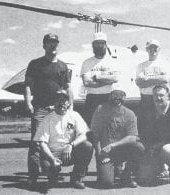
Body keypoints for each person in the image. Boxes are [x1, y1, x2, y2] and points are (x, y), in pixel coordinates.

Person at [24, 33, 73, 187]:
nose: (53, 45)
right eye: (50, 43)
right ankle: (33, 175)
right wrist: (28, 103)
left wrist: (70, 105)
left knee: (56, 141)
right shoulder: (35, 64)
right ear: (44, 45)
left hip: (58, 110)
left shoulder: (63, 66)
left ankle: (53, 172)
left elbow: (67, 87)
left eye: (55, 43)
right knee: (37, 142)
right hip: (40, 109)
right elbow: (27, 86)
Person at [33, 90, 93, 189]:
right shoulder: (47, 118)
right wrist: (52, 159)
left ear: (68, 103)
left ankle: (77, 178)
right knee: (47, 166)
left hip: (69, 152)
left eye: (64, 101)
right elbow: (42, 143)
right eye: (58, 101)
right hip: (52, 154)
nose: (62, 103)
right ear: (54, 103)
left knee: (87, 146)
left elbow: (84, 135)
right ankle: (53, 177)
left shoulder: (74, 115)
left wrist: (70, 145)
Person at [91, 89, 145, 188]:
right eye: (114, 97)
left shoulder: (129, 114)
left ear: (124, 99)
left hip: (121, 150)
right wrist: (100, 153)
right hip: (104, 152)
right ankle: (112, 170)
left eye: (120, 97)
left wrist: (113, 145)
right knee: (106, 183)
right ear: (109, 97)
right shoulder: (100, 109)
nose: (117, 99)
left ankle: (126, 176)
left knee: (139, 147)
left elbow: (133, 137)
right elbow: (94, 134)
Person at [140, 85, 170, 184]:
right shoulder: (150, 111)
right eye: (156, 95)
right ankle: (161, 167)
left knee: (168, 150)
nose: (158, 98)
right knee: (145, 174)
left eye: (161, 95)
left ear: (167, 96)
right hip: (158, 145)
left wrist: (155, 146)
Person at [135, 39, 170, 158]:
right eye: (150, 48)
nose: (153, 50)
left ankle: (164, 163)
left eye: (155, 47)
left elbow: (166, 79)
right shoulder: (141, 66)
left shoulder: (166, 63)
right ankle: (147, 160)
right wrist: (158, 79)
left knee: (162, 130)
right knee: (145, 131)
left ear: (159, 49)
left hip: (161, 101)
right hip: (145, 101)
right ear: (147, 50)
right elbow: (140, 83)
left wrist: (147, 80)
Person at [80, 32, 121, 126]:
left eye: (102, 43)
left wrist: (97, 78)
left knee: (109, 127)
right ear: (93, 45)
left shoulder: (112, 62)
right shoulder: (86, 62)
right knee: (91, 126)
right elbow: (87, 82)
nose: (99, 46)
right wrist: (107, 81)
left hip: (108, 98)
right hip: (92, 99)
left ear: (106, 45)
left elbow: (115, 78)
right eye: (97, 43)